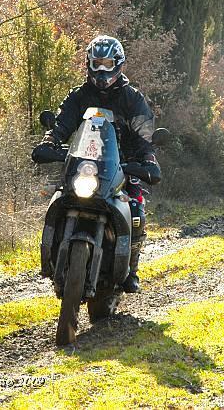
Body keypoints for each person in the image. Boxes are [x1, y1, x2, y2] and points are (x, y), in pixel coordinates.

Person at [33, 35, 161, 293]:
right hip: (83, 165)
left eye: (107, 63)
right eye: (96, 63)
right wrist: (50, 140)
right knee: (59, 196)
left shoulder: (132, 99)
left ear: (118, 64)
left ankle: (130, 269)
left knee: (136, 207)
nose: (102, 70)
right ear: (88, 64)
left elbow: (144, 135)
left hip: (121, 167)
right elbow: (63, 123)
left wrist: (147, 159)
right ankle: (51, 256)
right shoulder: (80, 96)